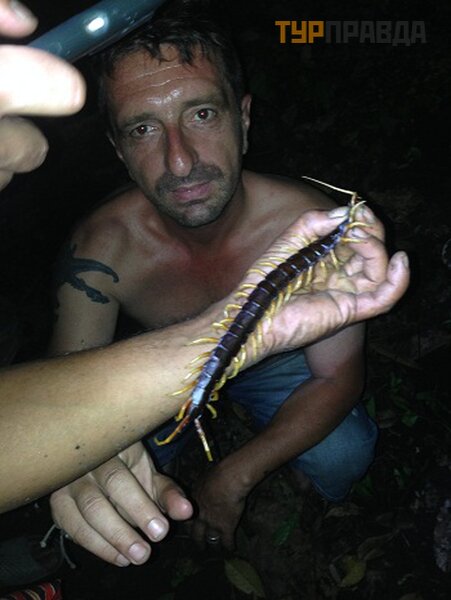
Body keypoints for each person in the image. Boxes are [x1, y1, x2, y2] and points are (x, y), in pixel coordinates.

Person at [43, 11, 409, 569]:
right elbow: (68, 395)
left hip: (277, 365)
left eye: (203, 114)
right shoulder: (98, 251)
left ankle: (304, 499)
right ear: (118, 149)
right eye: (143, 129)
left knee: (344, 451)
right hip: (159, 376)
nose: (180, 160)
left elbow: (337, 376)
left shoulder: (314, 225)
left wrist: (232, 479)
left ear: (244, 119)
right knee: (95, 473)